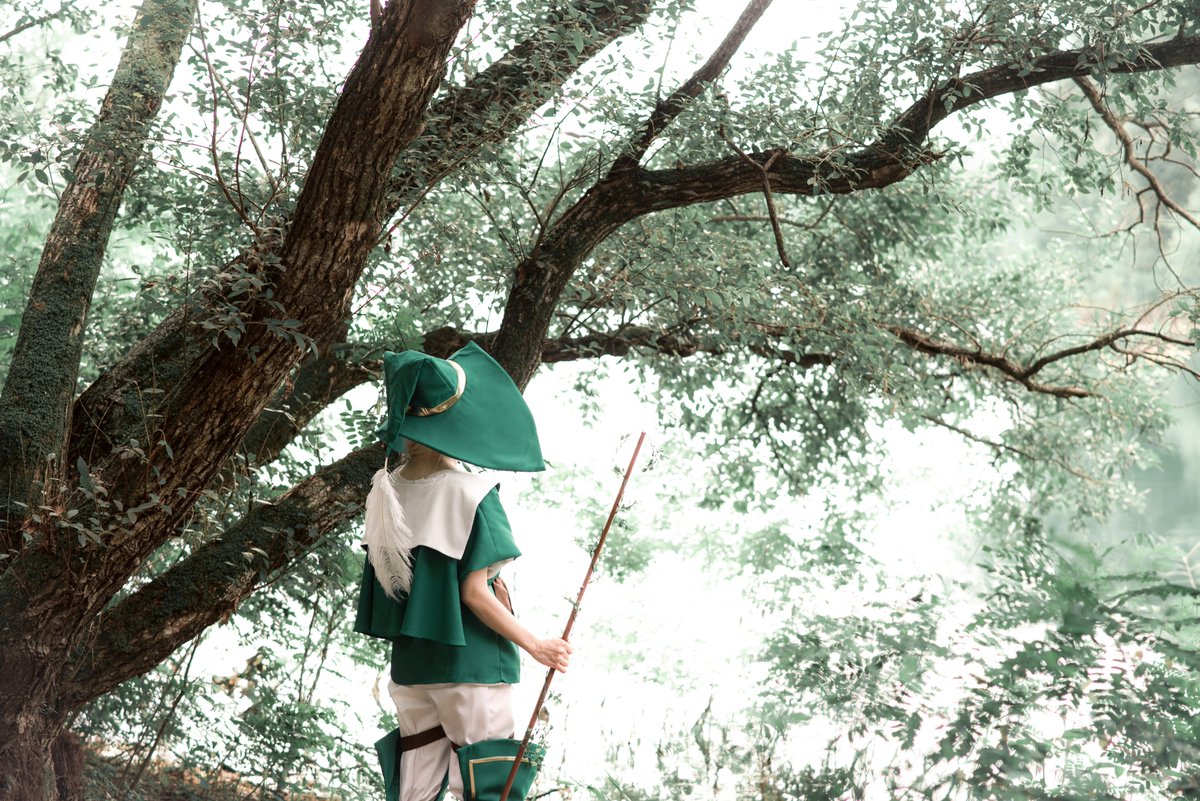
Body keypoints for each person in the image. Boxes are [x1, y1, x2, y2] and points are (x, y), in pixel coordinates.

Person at [354, 341, 571, 801]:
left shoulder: (384, 494)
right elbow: (474, 592)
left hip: (412, 672)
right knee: (489, 793)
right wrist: (537, 646)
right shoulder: (473, 492)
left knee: (413, 792)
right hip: (473, 671)